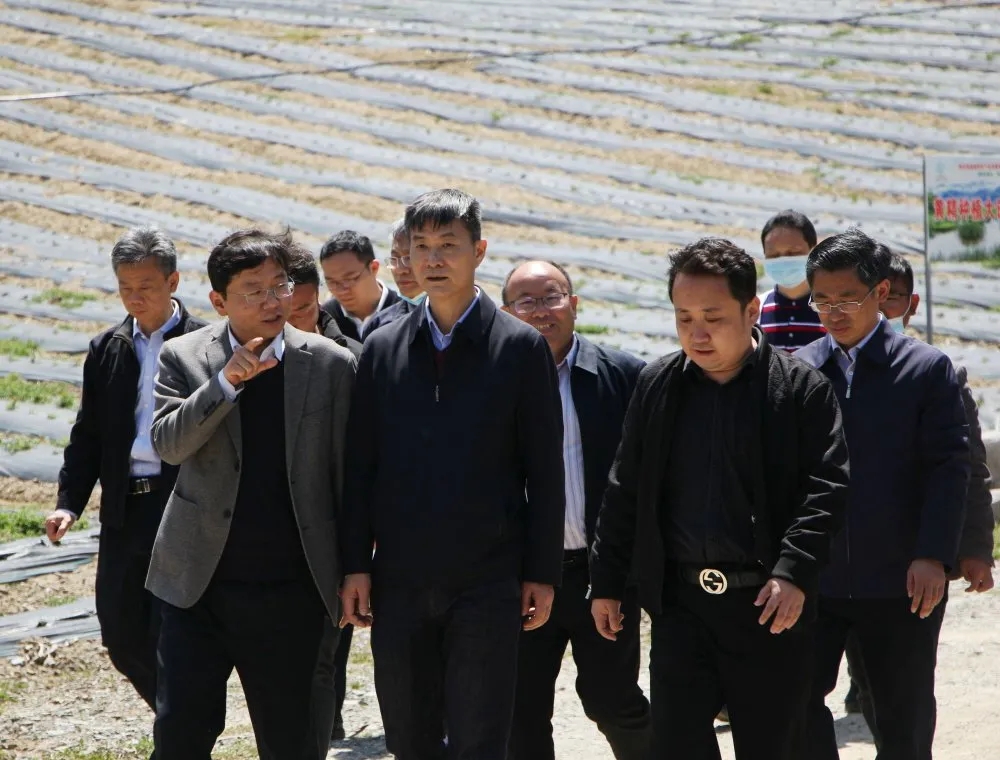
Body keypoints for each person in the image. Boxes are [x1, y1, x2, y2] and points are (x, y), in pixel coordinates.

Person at [590, 237, 849, 760]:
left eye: (712, 317)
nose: (697, 333)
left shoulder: (799, 389)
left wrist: (793, 572)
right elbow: (625, 488)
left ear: (751, 310)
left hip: (768, 607)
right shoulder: (657, 385)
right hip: (681, 609)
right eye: (684, 318)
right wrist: (608, 582)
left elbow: (826, 489)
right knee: (676, 745)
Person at [340, 189, 565, 760]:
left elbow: (544, 469)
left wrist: (541, 572)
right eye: (421, 247)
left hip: (488, 578)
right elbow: (360, 467)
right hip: (399, 578)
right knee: (410, 736)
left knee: (480, 737)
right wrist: (355, 565)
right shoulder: (382, 348)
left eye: (448, 245)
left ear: (479, 251)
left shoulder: (519, 348)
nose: (433, 260)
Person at [147, 229, 356, 759]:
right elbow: (169, 445)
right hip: (198, 583)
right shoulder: (183, 356)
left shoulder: (331, 364)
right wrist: (225, 384)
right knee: (180, 735)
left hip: (294, 587)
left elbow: (351, 475)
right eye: (254, 291)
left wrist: (357, 567)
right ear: (219, 301)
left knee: (292, 740)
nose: (272, 301)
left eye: (279, 286)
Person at [796, 229, 970, 760]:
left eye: (848, 299)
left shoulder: (925, 370)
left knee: (902, 714)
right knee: (796, 705)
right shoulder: (799, 370)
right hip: (817, 579)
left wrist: (933, 555)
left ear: (881, 292)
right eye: (822, 300)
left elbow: (949, 468)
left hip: (900, 582)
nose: (834, 312)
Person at [44, 226, 206, 711]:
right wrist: (69, 504)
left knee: (171, 626)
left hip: (180, 503)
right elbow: (88, 435)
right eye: (125, 288)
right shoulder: (107, 349)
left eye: (146, 287)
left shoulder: (204, 343)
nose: (135, 298)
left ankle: (179, 729)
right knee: (119, 630)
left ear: (173, 282)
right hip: (124, 508)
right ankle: (177, 717)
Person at [841, 250, 996, 748]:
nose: (881, 310)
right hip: (848, 568)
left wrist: (974, 548)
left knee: (904, 691)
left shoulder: (936, 373)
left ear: (908, 304)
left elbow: (966, 468)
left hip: (914, 566)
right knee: (867, 683)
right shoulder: (828, 369)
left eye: (893, 299)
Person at [501, 260, 651, 760]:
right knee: (520, 713)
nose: (540, 311)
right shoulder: (491, 381)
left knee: (613, 701)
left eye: (551, 297)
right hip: (521, 576)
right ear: (506, 313)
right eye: (525, 301)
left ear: (574, 304)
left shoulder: (624, 375)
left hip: (601, 575)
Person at [758, 210, 826, 352]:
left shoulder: (832, 308)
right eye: (774, 255)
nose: (783, 260)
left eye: (793, 253)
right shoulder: (756, 310)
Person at [320, 229, 401, 341]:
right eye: (332, 282)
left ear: (373, 268)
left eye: (349, 279)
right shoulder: (323, 321)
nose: (341, 290)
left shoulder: (406, 315)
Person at [287, 247, 362, 359]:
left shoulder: (356, 358)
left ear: (318, 300)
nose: (289, 324)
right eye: (280, 314)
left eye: (300, 311)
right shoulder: (261, 357)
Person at [362, 219, 426, 340]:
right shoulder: (380, 327)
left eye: (409, 258)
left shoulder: (456, 321)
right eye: (394, 258)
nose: (400, 270)